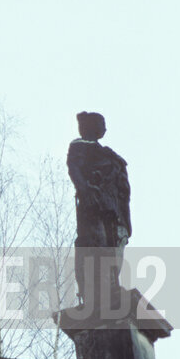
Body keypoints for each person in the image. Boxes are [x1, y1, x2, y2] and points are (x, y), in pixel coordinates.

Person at [66, 111, 130, 304]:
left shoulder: (111, 156)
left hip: (113, 211)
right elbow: (74, 169)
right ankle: (96, 293)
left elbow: (123, 192)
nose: (105, 128)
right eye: (101, 123)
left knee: (112, 252)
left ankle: (110, 288)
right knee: (96, 246)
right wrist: (86, 191)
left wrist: (125, 222)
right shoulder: (80, 147)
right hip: (94, 207)